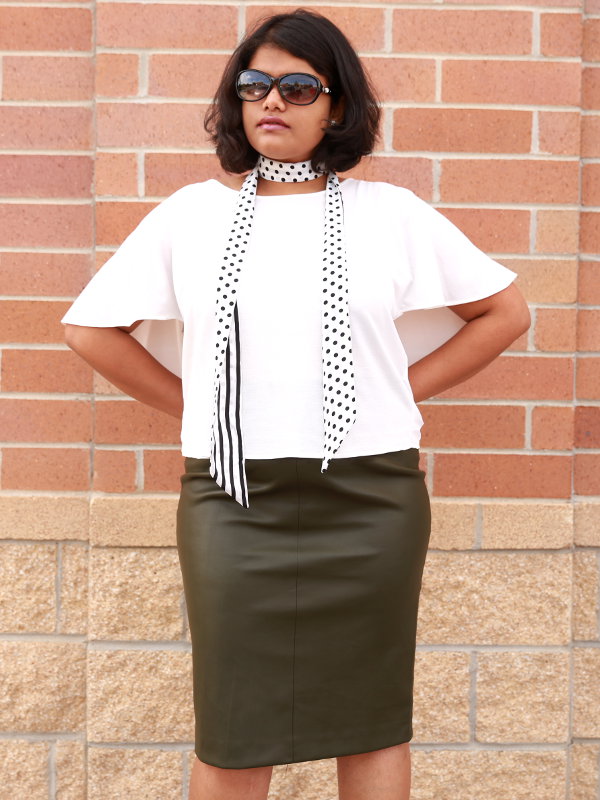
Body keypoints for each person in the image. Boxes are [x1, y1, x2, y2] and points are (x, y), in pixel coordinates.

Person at [62, 9, 530, 800]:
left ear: (336, 106)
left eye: (296, 86)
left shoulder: (394, 215)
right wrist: (199, 406)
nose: (271, 101)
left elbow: (506, 314)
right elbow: (89, 330)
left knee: (371, 720)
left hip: (370, 496)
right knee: (234, 727)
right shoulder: (189, 215)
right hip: (232, 499)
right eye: (254, 86)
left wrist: (393, 390)